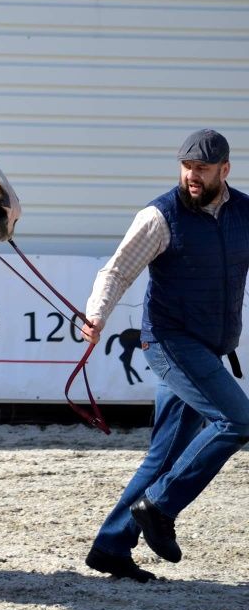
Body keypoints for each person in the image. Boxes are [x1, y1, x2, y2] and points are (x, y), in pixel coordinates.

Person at [80, 129, 249, 582]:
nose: (192, 176)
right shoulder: (161, 216)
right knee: (238, 420)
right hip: (171, 343)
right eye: (187, 167)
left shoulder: (244, 213)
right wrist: (96, 317)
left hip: (211, 346)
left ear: (225, 170)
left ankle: (111, 546)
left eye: (203, 169)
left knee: (163, 456)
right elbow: (116, 271)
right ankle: (160, 506)